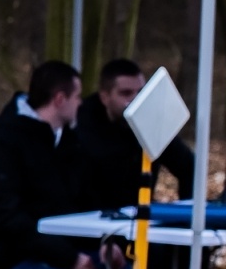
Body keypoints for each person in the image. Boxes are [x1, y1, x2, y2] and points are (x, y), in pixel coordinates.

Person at [0, 61, 102, 269]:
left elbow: (85, 200)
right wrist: (71, 260)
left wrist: (104, 244)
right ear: (59, 99)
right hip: (20, 258)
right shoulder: (2, 148)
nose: (81, 104)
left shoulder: (68, 141)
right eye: (77, 96)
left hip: (71, 250)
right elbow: (9, 223)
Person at [77, 58, 194, 212]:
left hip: (139, 217)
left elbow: (188, 165)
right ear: (105, 97)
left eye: (140, 92)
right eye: (125, 93)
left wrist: (186, 215)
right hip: (87, 219)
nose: (135, 99)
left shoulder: (150, 121)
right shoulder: (80, 122)